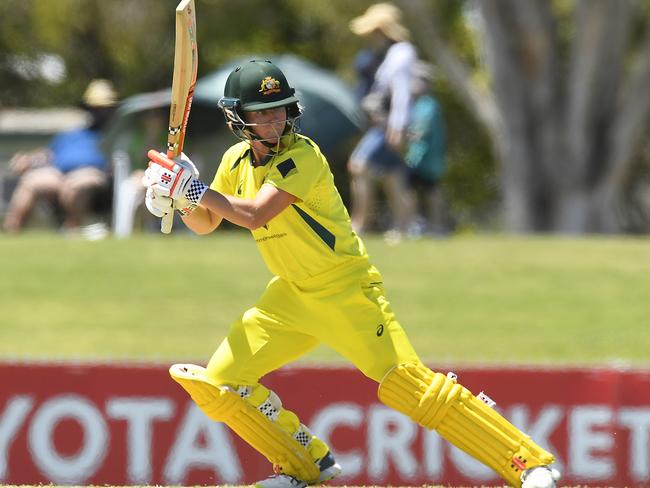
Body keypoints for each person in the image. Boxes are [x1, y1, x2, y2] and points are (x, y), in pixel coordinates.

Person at [141, 59, 560, 488]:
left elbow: (253, 215)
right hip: (290, 296)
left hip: (345, 290)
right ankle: (305, 466)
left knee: (411, 387)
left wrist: (190, 189)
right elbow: (206, 224)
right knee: (223, 384)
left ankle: (529, 463)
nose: (273, 121)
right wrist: (173, 199)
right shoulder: (236, 160)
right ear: (238, 118)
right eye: (262, 113)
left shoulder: (302, 156)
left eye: (280, 109)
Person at [3, 79, 116, 233]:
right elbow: (48, 154)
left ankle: (71, 231)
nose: (100, 112)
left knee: (78, 184)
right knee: (31, 181)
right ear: (88, 109)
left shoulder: (115, 136)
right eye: (95, 108)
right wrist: (29, 160)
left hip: (94, 179)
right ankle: (12, 231)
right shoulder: (71, 134)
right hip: (60, 175)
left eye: (104, 108)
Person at [347, 2, 415, 238]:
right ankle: (404, 227)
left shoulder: (401, 54)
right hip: (386, 125)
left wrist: (397, 128)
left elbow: (401, 94)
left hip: (389, 127)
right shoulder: (387, 56)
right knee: (393, 176)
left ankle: (360, 222)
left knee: (359, 164)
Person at [403, 61, 450, 237]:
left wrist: (401, 135)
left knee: (432, 193)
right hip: (414, 157)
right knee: (409, 191)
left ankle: (436, 226)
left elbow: (421, 131)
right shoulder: (415, 104)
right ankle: (415, 225)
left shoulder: (430, 104)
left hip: (427, 159)